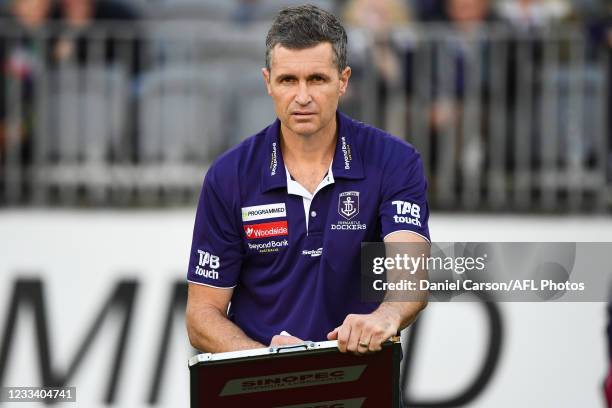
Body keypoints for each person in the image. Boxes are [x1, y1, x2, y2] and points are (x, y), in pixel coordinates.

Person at [185, 5, 429, 356]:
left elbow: (410, 276)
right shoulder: (229, 176)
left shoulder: (394, 160)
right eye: (288, 80)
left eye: (317, 79)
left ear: (343, 81)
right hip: (263, 386)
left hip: (360, 379)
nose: (302, 97)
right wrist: (267, 357)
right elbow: (201, 315)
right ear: (268, 82)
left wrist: (386, 316)